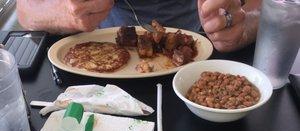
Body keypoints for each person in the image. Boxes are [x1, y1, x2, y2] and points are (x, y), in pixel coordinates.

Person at [17, 0, 261, 52]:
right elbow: (27, 11)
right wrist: (65, 11)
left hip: (203, 52)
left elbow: (264, 7)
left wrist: (243, 26)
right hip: (100, 55)